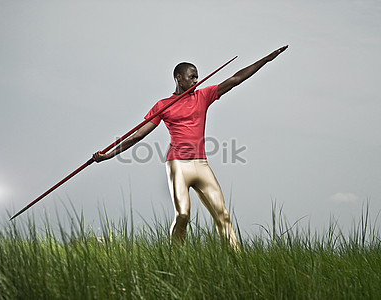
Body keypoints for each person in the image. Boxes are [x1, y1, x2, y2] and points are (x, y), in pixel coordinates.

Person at [93, 45, 288, 247]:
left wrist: (266, 59)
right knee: (183, 214)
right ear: (178, 77)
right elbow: (137, 136)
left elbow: (235, 80)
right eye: (191, 77)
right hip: (178, 165)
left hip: (201, 165)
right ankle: (175, 259)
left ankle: (236, 262)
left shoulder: (203, 97)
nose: (196, 80)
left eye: (197, 77)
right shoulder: (163, 105)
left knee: (223, 215)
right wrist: (109, 155)